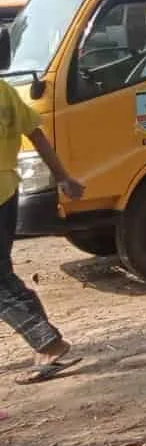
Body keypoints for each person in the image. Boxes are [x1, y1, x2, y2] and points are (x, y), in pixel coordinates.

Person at [1, 79, 85, 384]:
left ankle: (48, 344)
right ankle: (45, 346)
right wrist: (62, 176)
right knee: (3, 276)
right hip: (8, 192)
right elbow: (36, 133)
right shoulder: (4, 90)